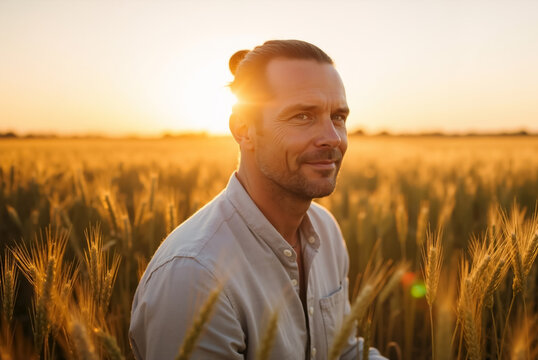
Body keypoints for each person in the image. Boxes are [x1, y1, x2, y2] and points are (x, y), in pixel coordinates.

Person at [129, 40, 387, 360]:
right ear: (244, 129)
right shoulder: (194, 276)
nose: (333, 138)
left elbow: (344, 351)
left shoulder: (326, 230)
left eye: (338, 117)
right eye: (303, 116)